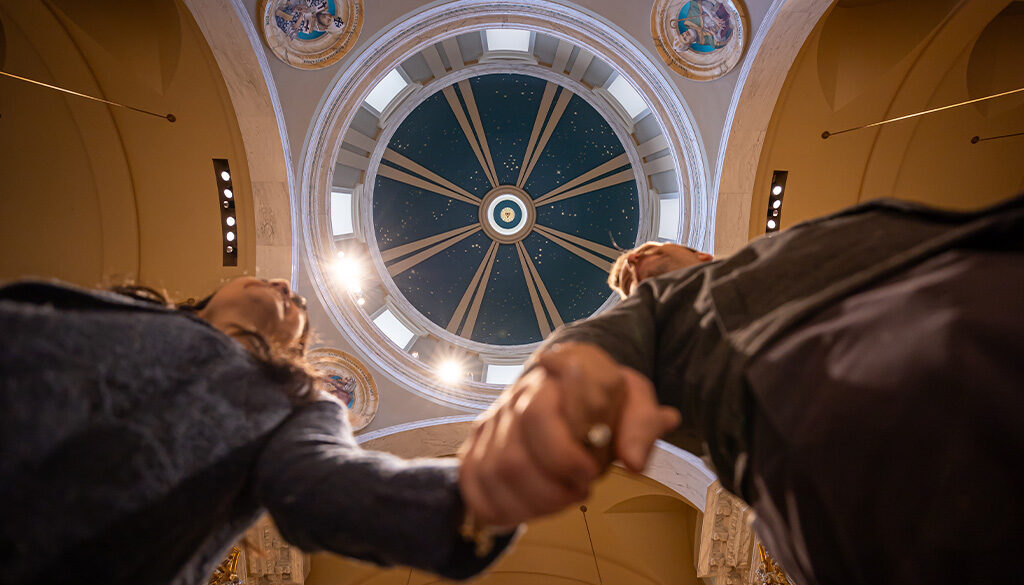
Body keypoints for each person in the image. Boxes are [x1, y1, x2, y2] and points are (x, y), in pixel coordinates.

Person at [460, 194, 1024, 585]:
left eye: (646, 251)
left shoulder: (769, 256)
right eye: (628, 278)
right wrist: (557, 380)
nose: (633, 263)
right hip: (840, 404)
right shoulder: (661, 316)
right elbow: (593, 346)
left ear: (703, 255)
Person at [0, 276, 574, 585]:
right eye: (276, 284)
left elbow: (323, 485)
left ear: (294, 350)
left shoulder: (295, 403)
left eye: (299, 307)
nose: (291, 292)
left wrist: (476, 496)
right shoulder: (129, 310)